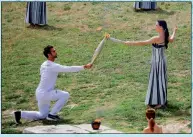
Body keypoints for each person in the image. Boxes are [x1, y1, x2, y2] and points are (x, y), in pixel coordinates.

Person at [106, 20, 177, 109]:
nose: (155, 26)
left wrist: (129, 42)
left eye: (156, 25)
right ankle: (160, 101)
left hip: (156, 63)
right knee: (160, 81)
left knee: (156, 81)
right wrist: (175, 31)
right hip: (162, 62)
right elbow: (172, 39)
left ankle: (159, 103)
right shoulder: (165, 37)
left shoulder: (156, 38)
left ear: (161, 27)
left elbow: (143, 42)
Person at [13, 45, 92, 123]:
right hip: (45, 93)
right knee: (65, 95)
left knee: (42, 115)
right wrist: (84, 67)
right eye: (53, 51)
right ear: (49, 54)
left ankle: (20, 114)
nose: (55, 52)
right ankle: (52, 115)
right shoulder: (53, 66)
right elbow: (68, 69)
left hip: (39, 93)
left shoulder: (43, 64)